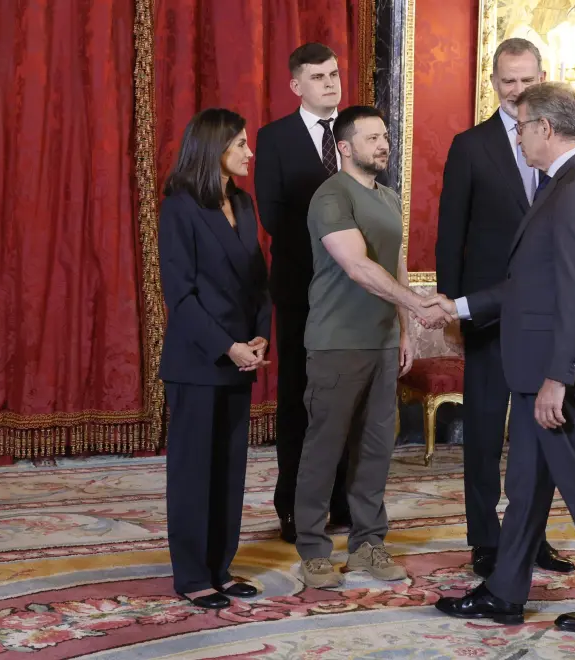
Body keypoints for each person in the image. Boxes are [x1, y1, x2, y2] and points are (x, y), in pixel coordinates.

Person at [430, 82, 575, 634]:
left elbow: (574, 294)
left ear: (546, 128)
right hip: (537, 369)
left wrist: (557, 380)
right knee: (524, 485)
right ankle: (505, 592)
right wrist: (456, 304)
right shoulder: (561, 184)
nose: (517, 136)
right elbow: (527, 284)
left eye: (521, 127)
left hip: (555, 373)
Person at [294, 105, 451, 588]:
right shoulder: (330, 196)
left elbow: (395, 264)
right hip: (337, 343)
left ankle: (368, 545)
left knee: (376, 448)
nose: (383, 144)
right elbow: (358, 266)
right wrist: (421, 304)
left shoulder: (388, 197)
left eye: (385, 136)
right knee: (325, 448)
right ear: (345, 147)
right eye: (372, 138)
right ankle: (314, 550)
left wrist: (405, 328)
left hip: (383, 343)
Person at [436, 38, 575, 581]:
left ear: (543, 76)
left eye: (526, 80)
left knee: (539, 436)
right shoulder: (470, 146)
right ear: (491, 83)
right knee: (487, 432)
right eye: (507, 81)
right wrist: (453, 312)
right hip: (487, 316)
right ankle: (484, 541)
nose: (517, 91)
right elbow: (452, 237)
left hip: (542, 316)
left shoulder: (559, 148)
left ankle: (531, 537)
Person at [159, 108, 272, 609]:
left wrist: (260, 337)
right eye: (241, 144)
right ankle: (191, 574)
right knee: (193, 471)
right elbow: (179, 296)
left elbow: (258, 283)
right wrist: (228, 346)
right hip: (198, 360)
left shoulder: (245, 204)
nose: (250, 152)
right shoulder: (180, 207)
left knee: (229, 470)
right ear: (215, 149)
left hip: (241, 357)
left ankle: (220, 567)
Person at [255, 43, 352, 544]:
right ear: (297, 85)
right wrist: (333, 252)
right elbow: (272, 217)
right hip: (301, 290)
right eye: (317, 77)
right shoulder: (273, 139)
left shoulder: (358, 130)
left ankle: (342, 499)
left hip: (355, 293)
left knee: (344, 398)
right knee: (299, 399)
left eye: (333, 74)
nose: (329, 83)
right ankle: (292, 504)